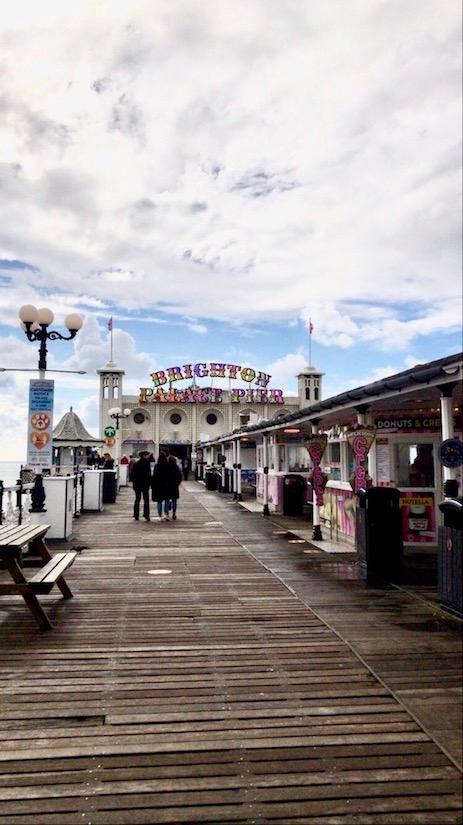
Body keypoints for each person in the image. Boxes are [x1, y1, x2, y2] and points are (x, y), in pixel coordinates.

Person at [131, 451, 152, 521]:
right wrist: (150, 483)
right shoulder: (147, 463)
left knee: (137, 499)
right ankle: (146, 515)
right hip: (145, 485)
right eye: (147, 455)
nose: (148, 456)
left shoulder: (136, 464)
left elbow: (132, 475)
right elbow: (149, 474)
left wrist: (134, 482)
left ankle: (136, 515)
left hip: (137, 485)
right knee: (146, 500)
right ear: (144, 456)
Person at [151, 451, 170, 520]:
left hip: (158, 486)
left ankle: (159, 515)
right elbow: (170, 476)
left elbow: (154, 476)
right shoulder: (168, 466)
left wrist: (153, 485)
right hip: (167, 486)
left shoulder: (157, 466)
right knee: (167, 501)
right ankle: (166, 514)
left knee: (159, 501)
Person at [167, 454, 183, 520]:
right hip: (174, 486)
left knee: (167, 500)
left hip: (167, 486)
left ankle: (167, 512)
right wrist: (177, 483)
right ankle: (174, 513)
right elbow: (180, 476)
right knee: (174, 500)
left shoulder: (166, 466)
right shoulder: (176, 467)